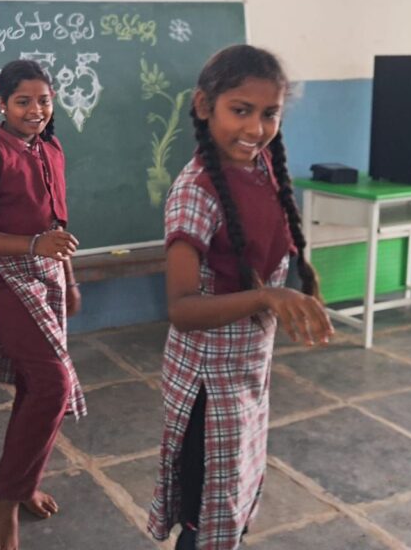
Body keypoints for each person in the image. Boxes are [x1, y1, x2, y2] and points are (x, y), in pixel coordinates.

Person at [147, 45, 334, 550]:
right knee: (205, 514)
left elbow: (269, 243)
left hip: (248, 373)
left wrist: (297, 289)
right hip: (206, 385)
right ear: (204, 106)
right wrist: (266, 298)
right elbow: (182, 309)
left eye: (269, 113)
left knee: (233, 502)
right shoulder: (196, 191)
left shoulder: (261, 166)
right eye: (241, 110)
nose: (256, 128)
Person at [0, 59, 86, 550]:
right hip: (8, 282)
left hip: (47, 278)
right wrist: (35, 247)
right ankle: (4, 500)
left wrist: (68, 279)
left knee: (37, 389)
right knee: (54, 385)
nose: (35, 110)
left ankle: (22, 484)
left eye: (44, 100)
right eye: (23, 101)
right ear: (1, 104)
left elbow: (58, 227)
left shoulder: (50, 148)